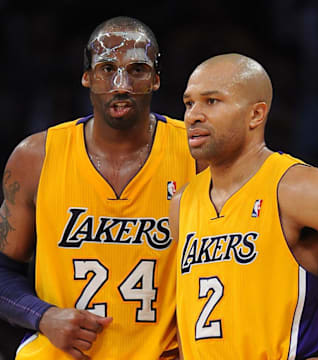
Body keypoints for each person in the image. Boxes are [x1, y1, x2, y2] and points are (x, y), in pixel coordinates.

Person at [0, 16, 202, 360]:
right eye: (107, 68)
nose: (121, 84)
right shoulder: (35, 157)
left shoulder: (198, 154)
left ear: (155, 79)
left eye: (137, 69)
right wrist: (44, 316)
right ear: (86, 77)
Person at [169, 53, 318, 359]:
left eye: (212, 101)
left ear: (256, 115)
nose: (193, 115)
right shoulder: (182, 204)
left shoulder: (299, 187)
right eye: (189, 103)